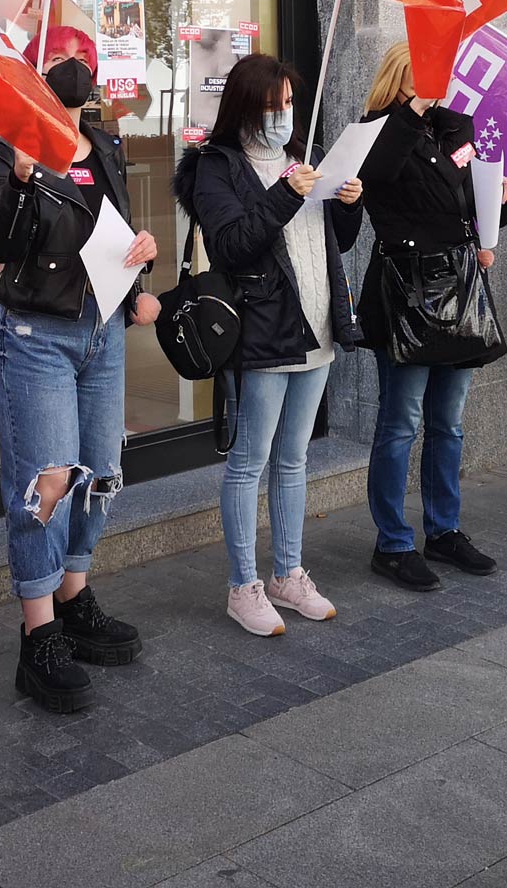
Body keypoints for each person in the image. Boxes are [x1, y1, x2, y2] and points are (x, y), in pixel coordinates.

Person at [0, 24, 160, 712]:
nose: (75, 72)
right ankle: (39, 635)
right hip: (36, 334)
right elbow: (3, 245)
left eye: (82, 60)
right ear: (37, 73)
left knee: (100, 474)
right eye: (62, 61)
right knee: (45, 482)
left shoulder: (107, 144)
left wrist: (142, 262)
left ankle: (75, 593)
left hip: (103, 329)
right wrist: (26, 179)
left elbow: (113, 233)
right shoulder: (13, 149)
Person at [174, 55, 365, 637]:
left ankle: (288, 572)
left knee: (295, 457)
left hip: (317, 327)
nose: (284, 115)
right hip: (261, 333)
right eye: (273, 104)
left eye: (290, 103)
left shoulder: (300, 160)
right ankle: (244, 585)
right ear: (245, 107)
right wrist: (286, 194)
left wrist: (348, 204)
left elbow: (329, 241)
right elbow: (232, 243)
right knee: (249, 461)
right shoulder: (216, 167)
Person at [357, 41, 507, 591]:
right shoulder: (378, 128)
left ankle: (444, 530)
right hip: (405, 291)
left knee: (448, 422)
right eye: (429, 73)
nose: (442, 83)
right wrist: (412, 110)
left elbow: (470, 204)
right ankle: (393, 542)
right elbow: (376, 177)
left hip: (460, 288)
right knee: (400, 423)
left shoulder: (456, 127)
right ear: (403, 75)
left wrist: (504, 198)